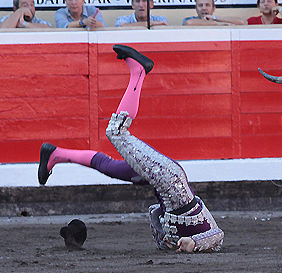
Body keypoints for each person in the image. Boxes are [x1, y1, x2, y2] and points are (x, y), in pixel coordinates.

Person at [38, 44, 224, 253]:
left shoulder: (177, 237)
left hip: (164, 186)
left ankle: (55, 154)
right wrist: (195, 243)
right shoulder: (207, 235)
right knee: (116, 132)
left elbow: (156, 214)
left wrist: (168, 241)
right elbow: (218, 236)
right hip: (169, 179)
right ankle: (139, 72)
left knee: (109, 167)